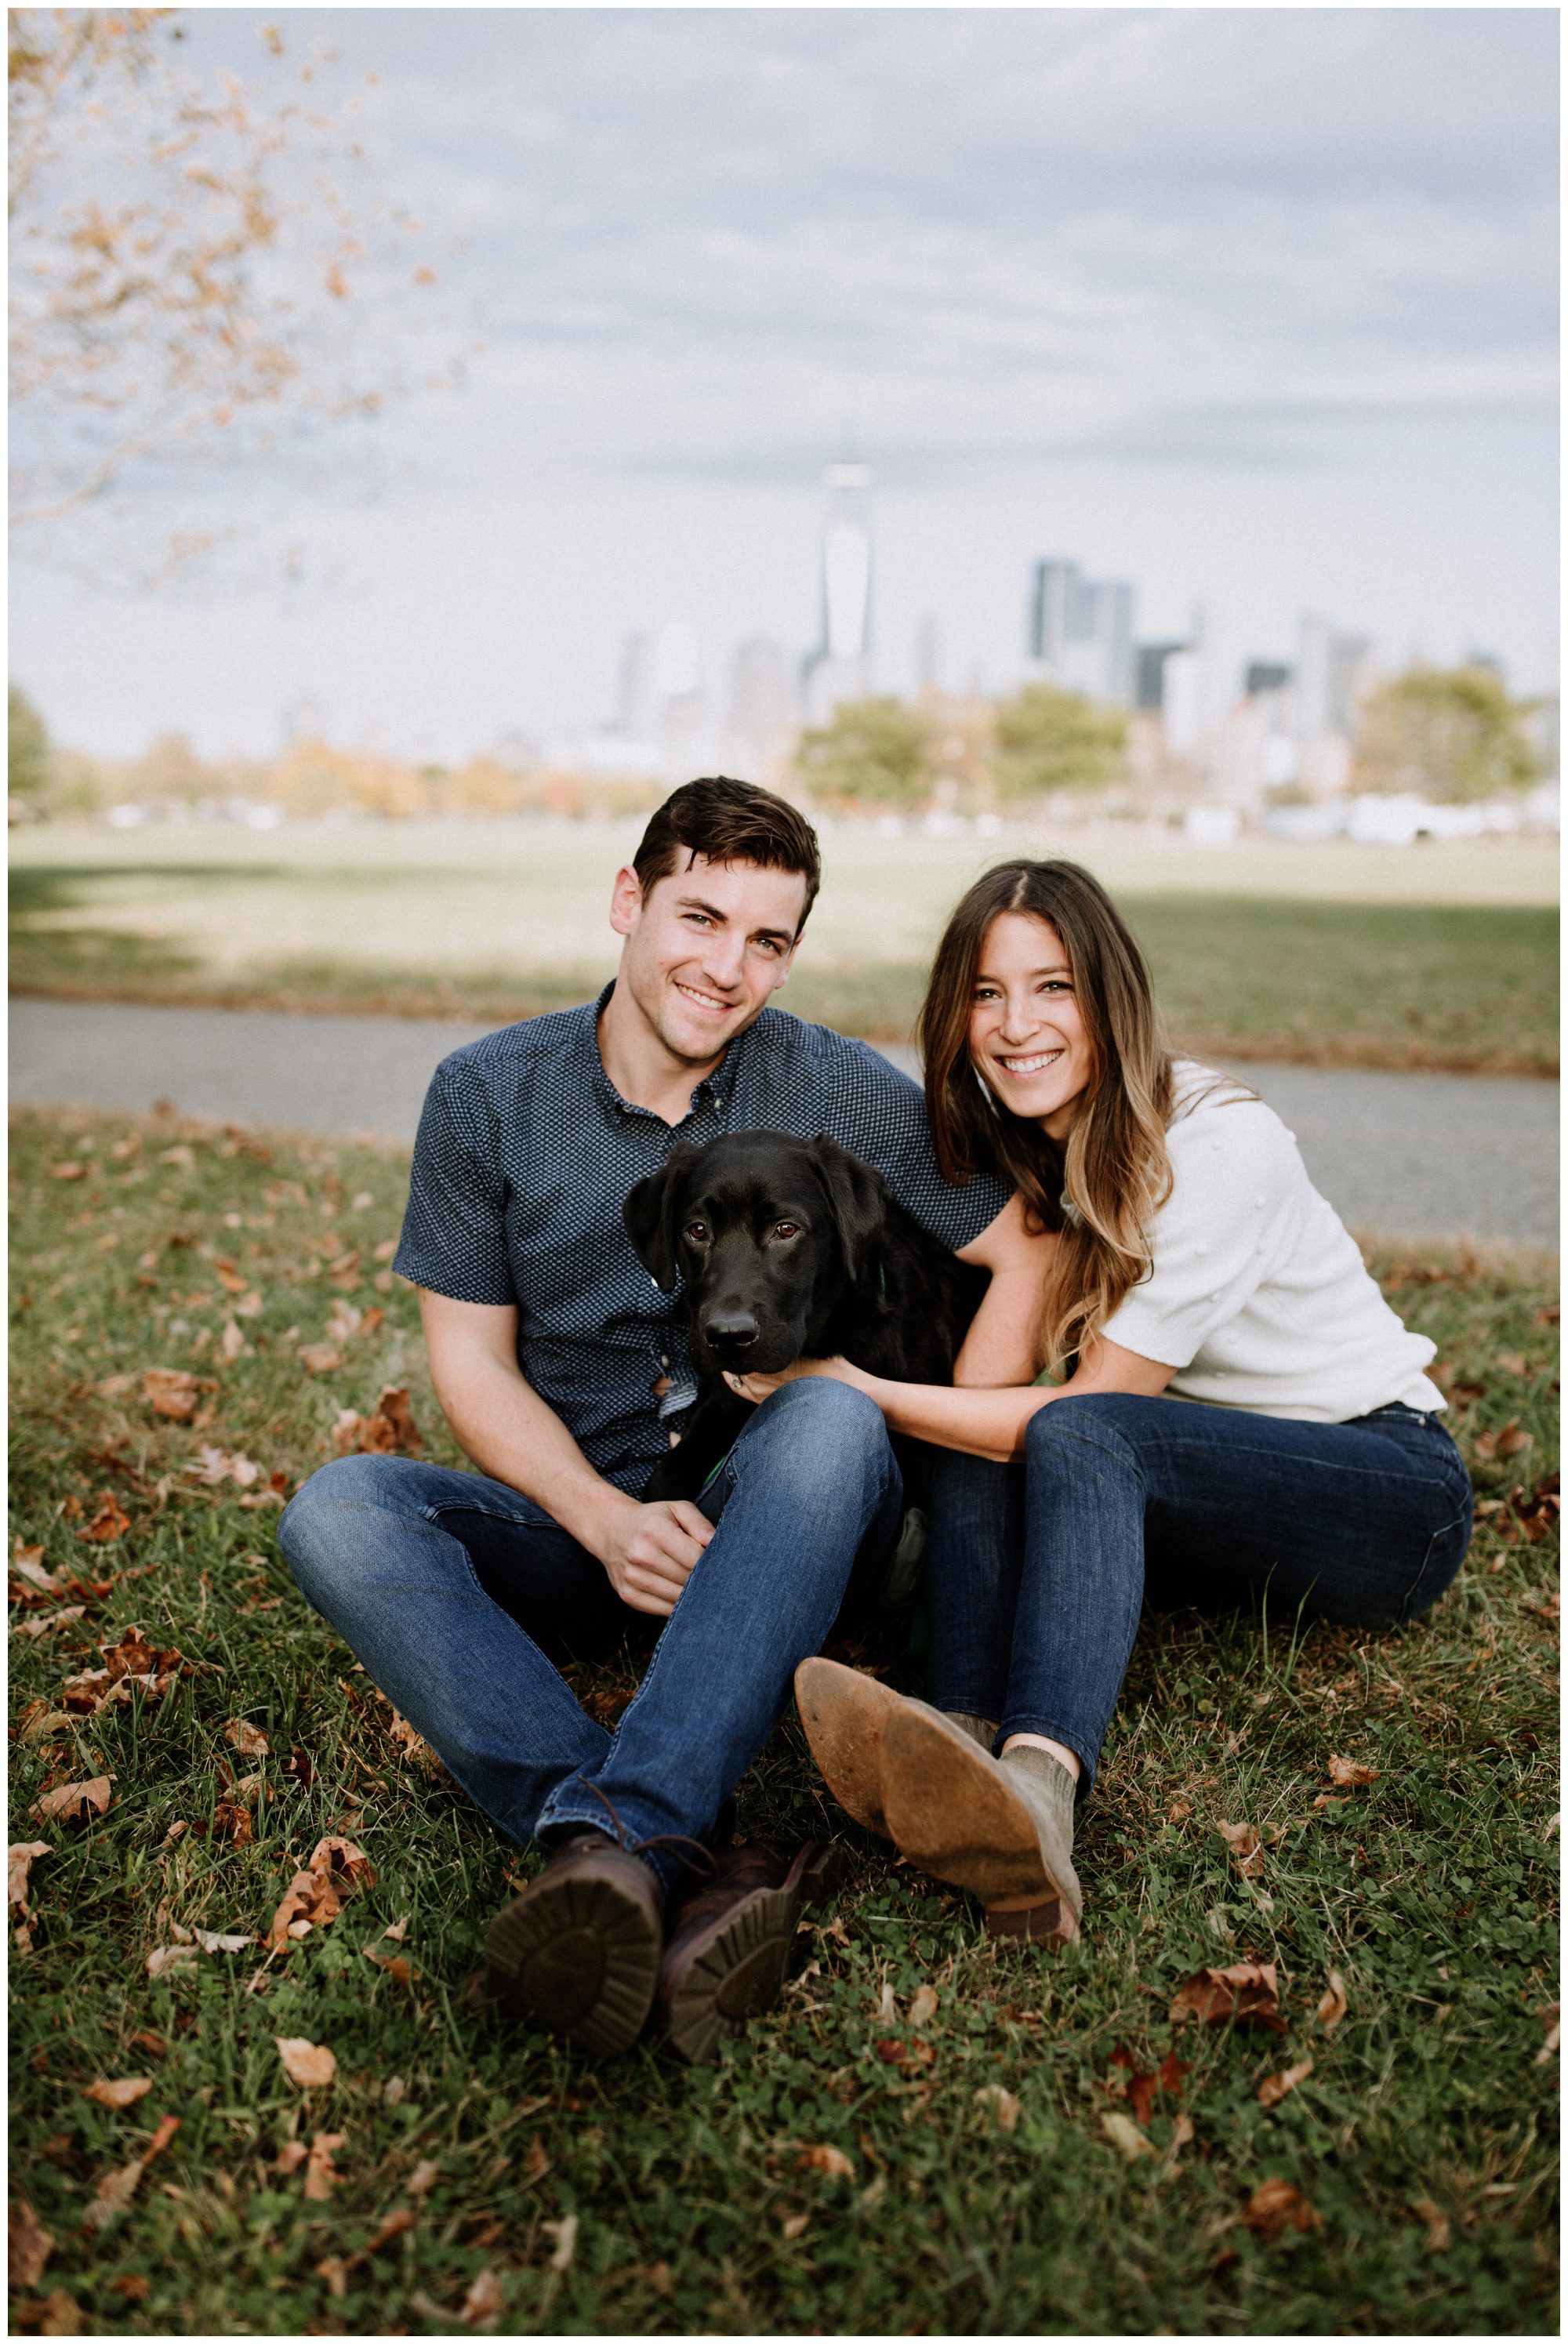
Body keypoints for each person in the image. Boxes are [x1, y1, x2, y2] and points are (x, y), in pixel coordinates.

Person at [278, 778, 1026, 2063]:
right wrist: (603, 1519)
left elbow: (1028, 1248)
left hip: (774, 1517)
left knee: (832, 1426)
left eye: (768, 940)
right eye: (701, 917)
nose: (728, 967)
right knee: (336, 1508)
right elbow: (472, 1364)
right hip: (581, 1518)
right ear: (628, 901)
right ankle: (657, 1845)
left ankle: (622, 1836)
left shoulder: (833, 1085)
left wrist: (951, 1446)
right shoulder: (486, 1093)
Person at [730, 859, 1474, 1948]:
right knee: (999, 1425)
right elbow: (980, 1407)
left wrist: (858, 1389)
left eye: (1053, 987)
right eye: (986, 993)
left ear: (1110, 996)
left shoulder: (1218, 1146)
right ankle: (962, 1725)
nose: (1015, 1023)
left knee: (1072, 1427)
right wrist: (1021, 1263)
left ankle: (1038, 1783)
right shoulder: (1040, 1148)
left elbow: (1095, 1411)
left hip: (1381, 1489)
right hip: (1206, 1485)